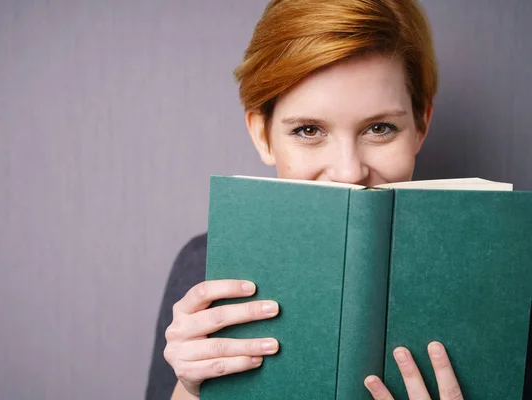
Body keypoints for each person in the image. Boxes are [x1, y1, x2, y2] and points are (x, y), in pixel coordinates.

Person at [146, 0, 464, 399]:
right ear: (262, 135)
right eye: (309, 130)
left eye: (380, 128)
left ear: (421, 125)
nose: (348, 172)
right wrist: (190, 390)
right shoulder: (203, 267)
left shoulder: (503, 270)